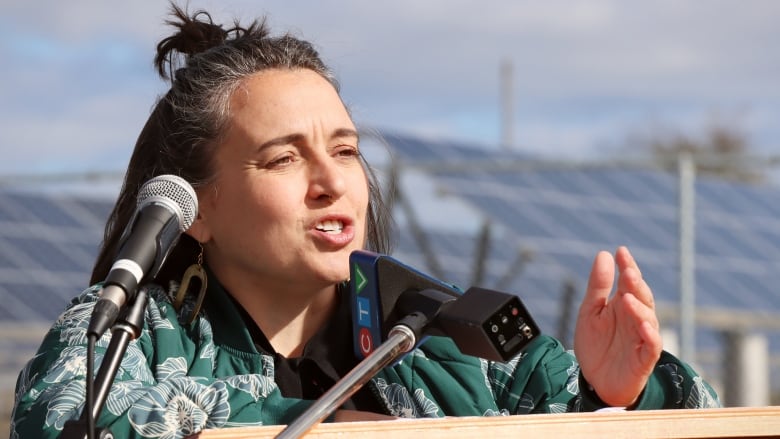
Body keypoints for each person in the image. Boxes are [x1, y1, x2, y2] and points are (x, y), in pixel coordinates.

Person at [10, 4, 720, 438]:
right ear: (199, 209)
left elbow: (678, 416)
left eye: (345, 150)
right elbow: (69, 422)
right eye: (283, 159)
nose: (331, 183)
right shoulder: (124, 332)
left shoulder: (445, 335)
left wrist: (624, 391)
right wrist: (333, 427)